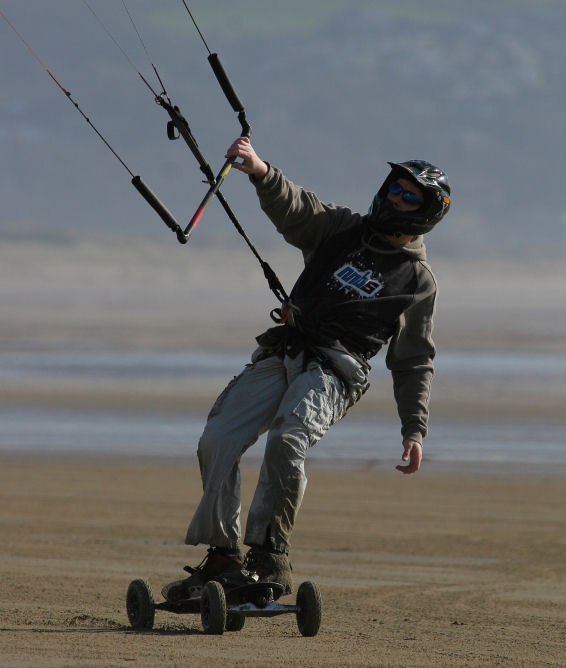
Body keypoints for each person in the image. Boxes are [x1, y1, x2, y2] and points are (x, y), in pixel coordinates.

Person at [162, 137, 451, 603]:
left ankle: (269, 556)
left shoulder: (417, 282)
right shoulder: (341, 229)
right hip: (284, 350)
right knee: (218, 439)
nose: (396, 197)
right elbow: (298, 210)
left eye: (409, 195)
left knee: (287, 438)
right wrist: (258, 169)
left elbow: (414, 359)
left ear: (426, 212)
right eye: (395, 188)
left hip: (337, 371)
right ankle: (222, 557)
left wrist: (414, 430)